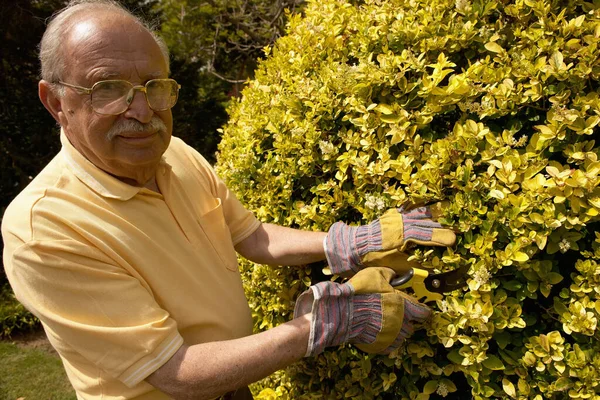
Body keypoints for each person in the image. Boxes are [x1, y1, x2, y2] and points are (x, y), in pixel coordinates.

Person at [1, 1, 456, 399]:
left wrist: (351, 241)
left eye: (154, 86)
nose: (142, 112)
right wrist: (320, 327)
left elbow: (254, 238)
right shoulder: (43, 227)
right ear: (56, 102)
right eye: (107, 89)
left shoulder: (174, 152)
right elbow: (174, 373)